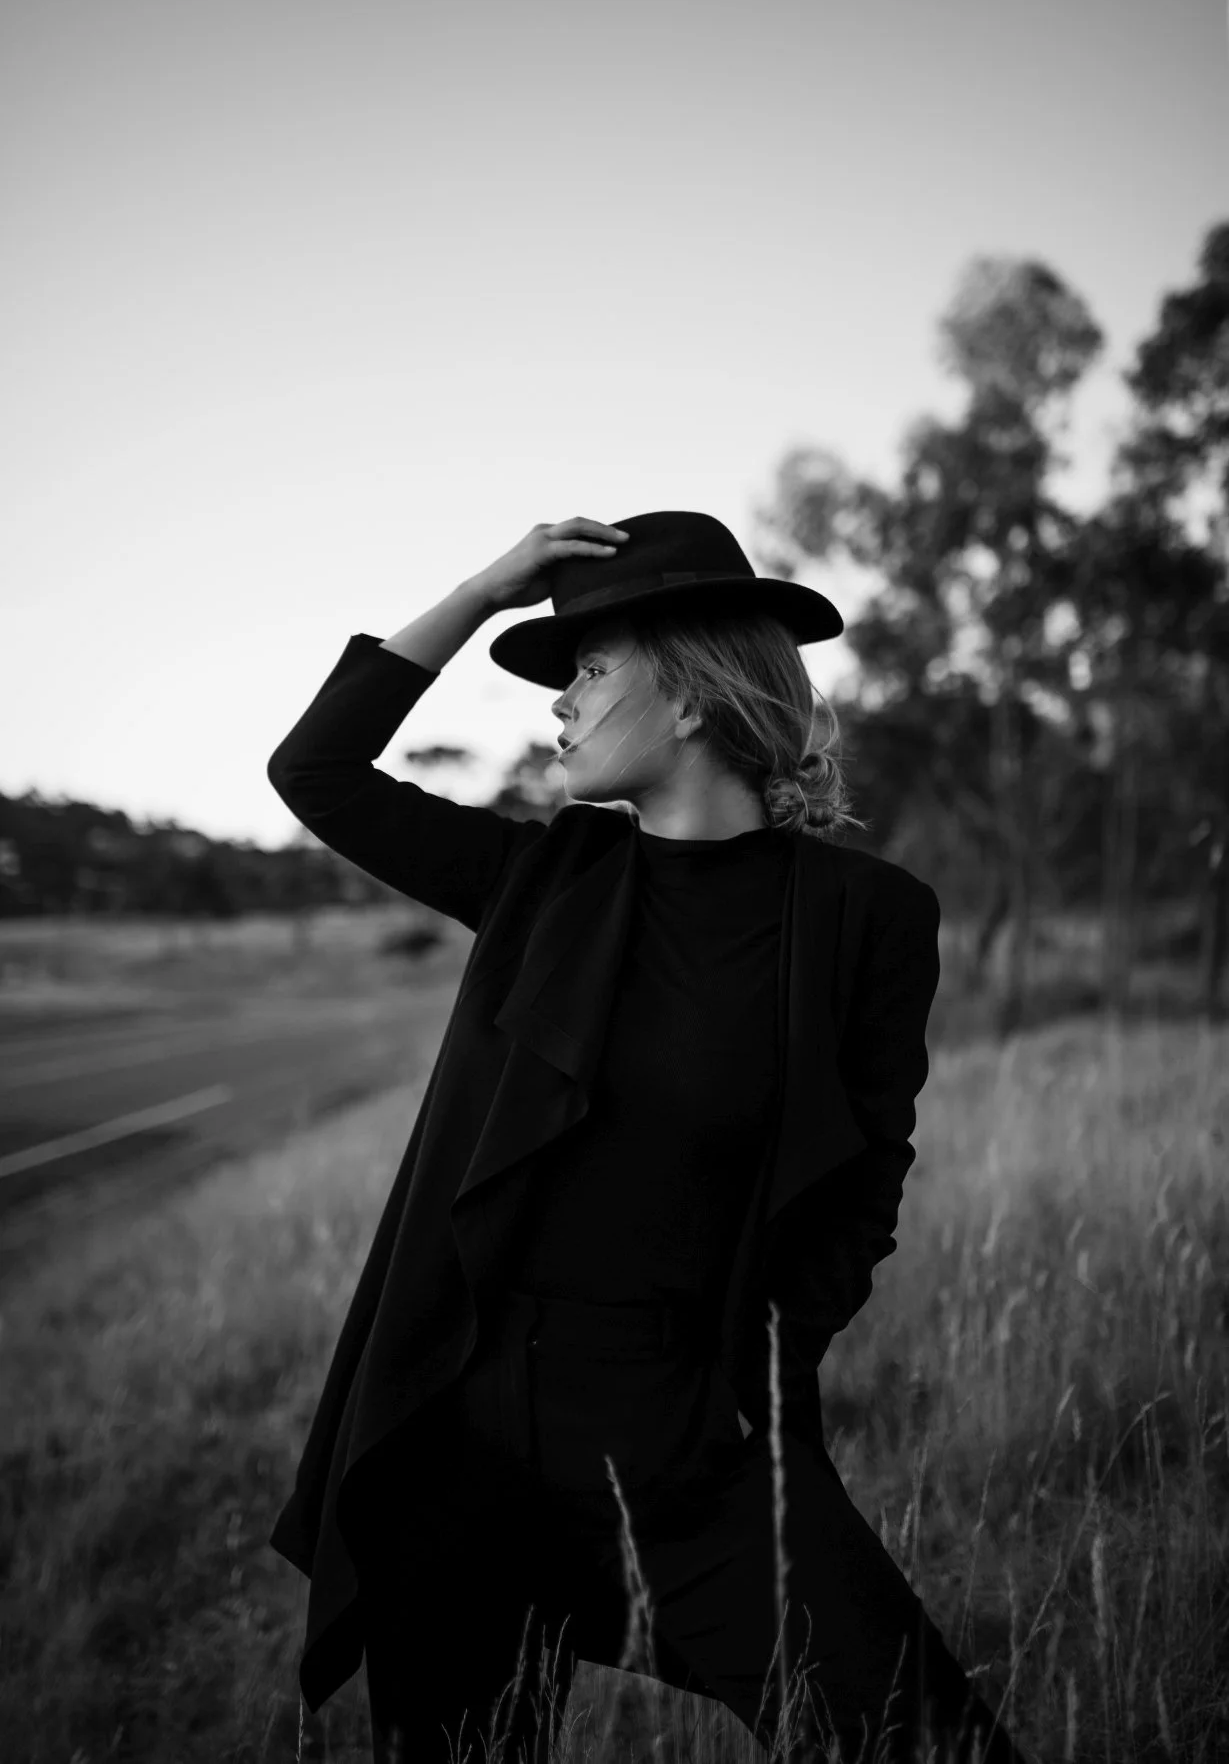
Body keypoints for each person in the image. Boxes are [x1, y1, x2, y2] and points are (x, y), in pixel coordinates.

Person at [266, 511, 1032, 1764]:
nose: (558, 706)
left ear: (687, 695)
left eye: (589, 668)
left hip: (687, 1428)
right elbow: (317, 772)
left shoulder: (867, 918)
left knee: (917, 1734)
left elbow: (862, 1187)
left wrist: (759, 1376)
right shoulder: (541, 878)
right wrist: (483, 586)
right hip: (461, 1426)